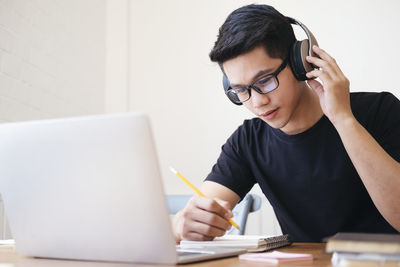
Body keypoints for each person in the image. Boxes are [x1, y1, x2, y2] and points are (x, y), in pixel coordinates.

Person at [172, 4, 400, 242]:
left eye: (265, 80)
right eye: (241, 90)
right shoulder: (249, 141)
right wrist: (183, 224)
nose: (258, 102)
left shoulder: (380, 111)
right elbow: (205, 207)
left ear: (300, 62)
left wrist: (343, 119)